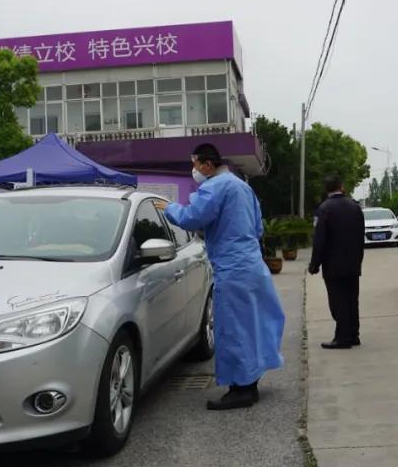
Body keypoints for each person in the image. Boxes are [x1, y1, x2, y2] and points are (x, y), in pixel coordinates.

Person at [156, 143, 285, 410]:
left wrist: (169, 208)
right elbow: (258, 226)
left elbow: (192, 218)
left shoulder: (214, 187)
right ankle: (250, 382)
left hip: (232, 267)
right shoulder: (242, 186)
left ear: (207, 164)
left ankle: (241, 390)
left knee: (233, 329)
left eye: (194, 165)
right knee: (252, 326)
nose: (193, 170)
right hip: (252, 265)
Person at [308, 175, 365, 349]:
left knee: (338, 301)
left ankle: (343, 338)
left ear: (326, 190)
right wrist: (358, 259)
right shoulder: (355, 207)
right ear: (342, 187)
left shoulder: (324, 209)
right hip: (353, 262)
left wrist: (315, 264)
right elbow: (361, 235)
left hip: (333, 264)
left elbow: (319, 240)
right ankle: (353, 334)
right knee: (352, 299)